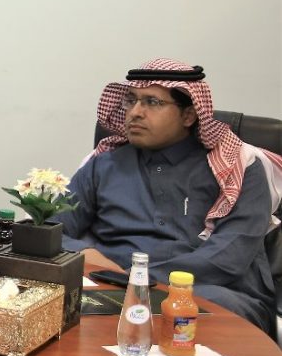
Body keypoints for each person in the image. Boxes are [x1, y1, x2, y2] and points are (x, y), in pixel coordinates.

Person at [52, 59, 282, 338]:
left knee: (200, 311)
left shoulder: (238, 167)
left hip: (208, 290)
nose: (135, 113)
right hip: (110, 289)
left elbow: (228, 258)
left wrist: (137, 278)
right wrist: (84, 254)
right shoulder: (103, 164)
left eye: (152, 102)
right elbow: (51, 229)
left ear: (189, 115)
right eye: (131, 100)